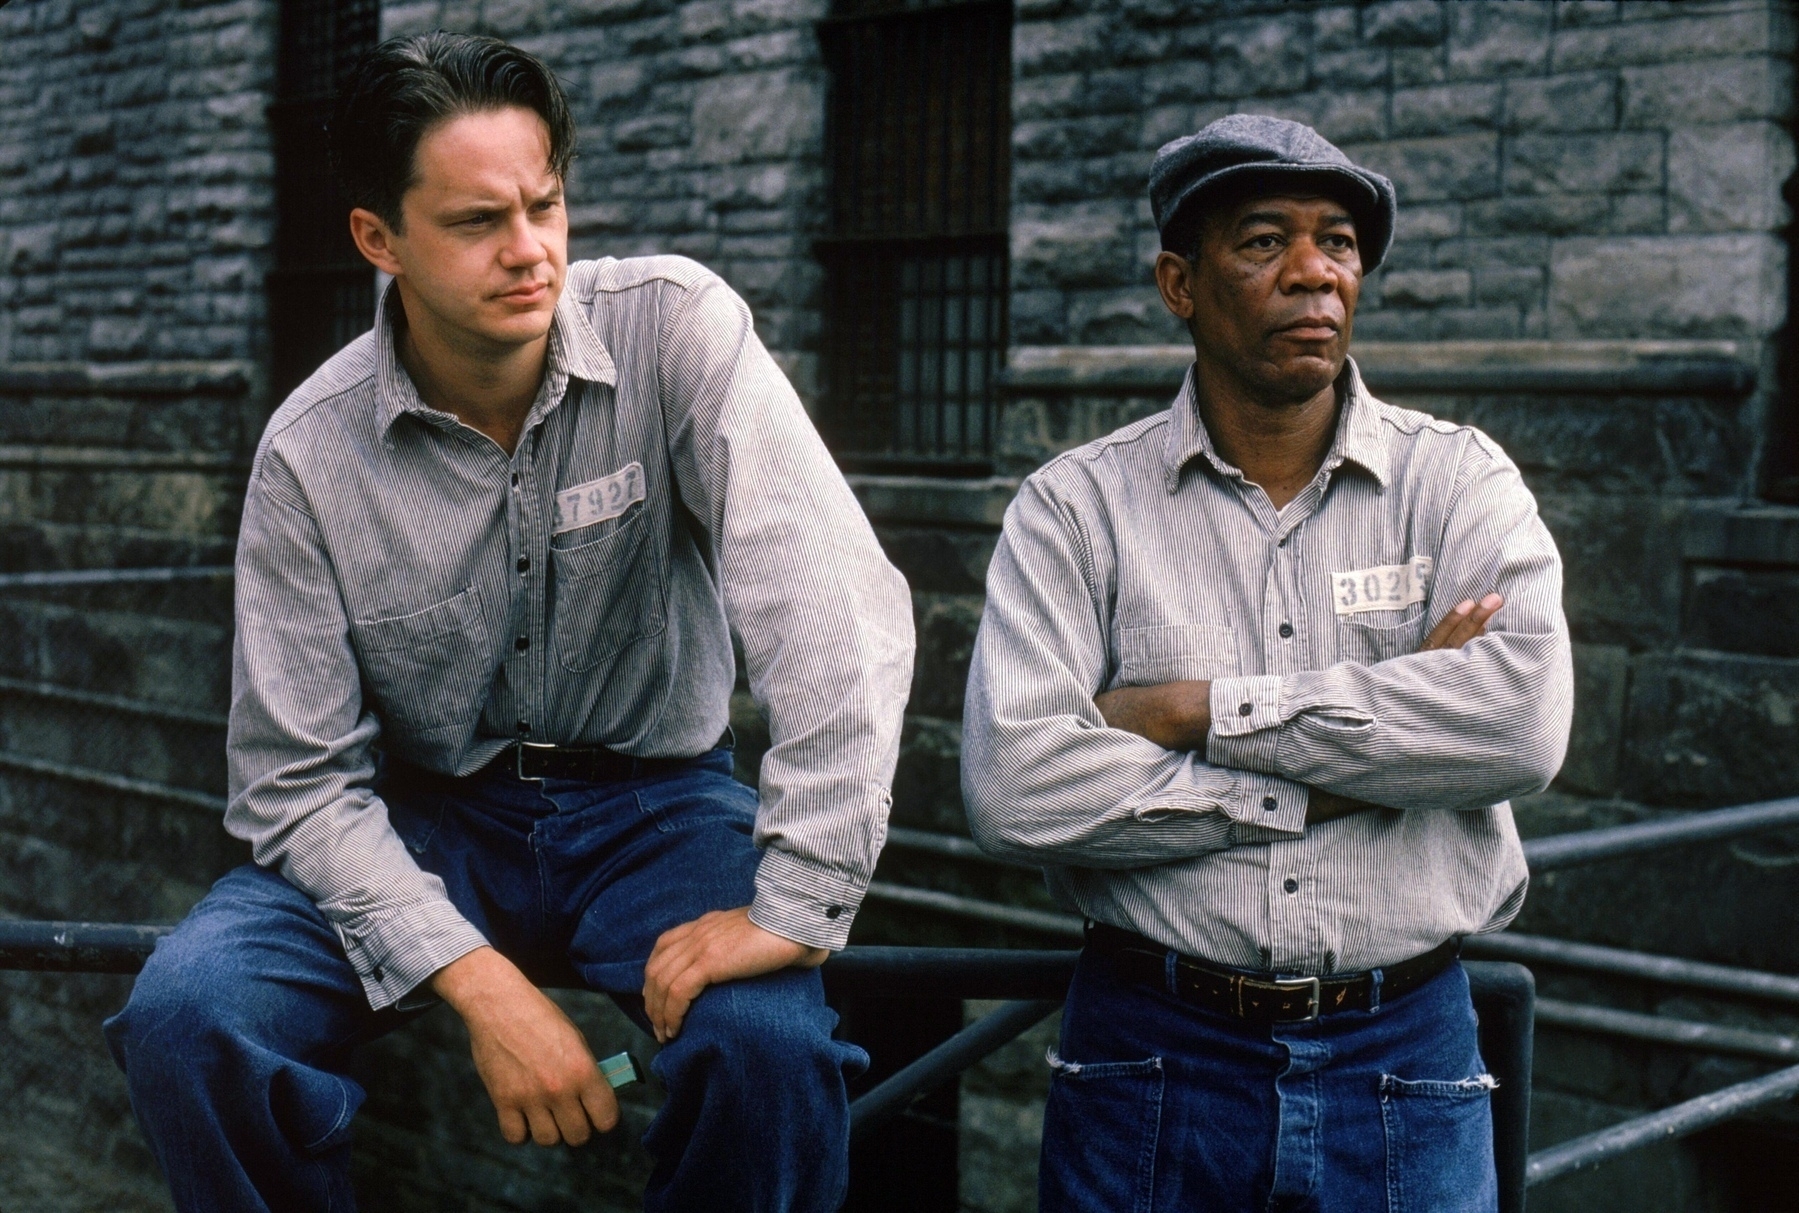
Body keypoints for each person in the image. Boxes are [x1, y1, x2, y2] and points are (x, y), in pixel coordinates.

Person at [103, 32, 914, 1213]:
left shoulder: (676, 330)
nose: (529, 251)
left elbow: (835, 614)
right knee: (190, 1016)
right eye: (478, 222)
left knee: (768, 1052)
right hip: (428, 817)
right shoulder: (308, 454)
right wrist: (481, 984)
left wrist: (794, 901)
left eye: (545, 206)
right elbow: (294, 782)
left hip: (662, 809)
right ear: (378, 240)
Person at [961, 114, 1572, 1212]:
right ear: (1177, 284)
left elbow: (1518, 725)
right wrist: (1364, 764)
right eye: (1261, 242)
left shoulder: (1458, 484)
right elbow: (1015, 790)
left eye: (1336, 242)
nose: (1313, 274)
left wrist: (1190, 712)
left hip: (1406, 1054)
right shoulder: (1075, 509)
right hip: (1149, 1052)